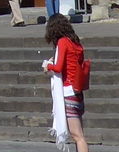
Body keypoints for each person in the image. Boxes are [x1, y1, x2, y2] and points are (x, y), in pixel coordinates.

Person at [42, 14, 90, 152]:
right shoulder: (74, 41)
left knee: (77, 135)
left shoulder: (63, 42)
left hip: (68, 91)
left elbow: (58, 67)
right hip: (77, 90)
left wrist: (48, 66)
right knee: (79, 133)